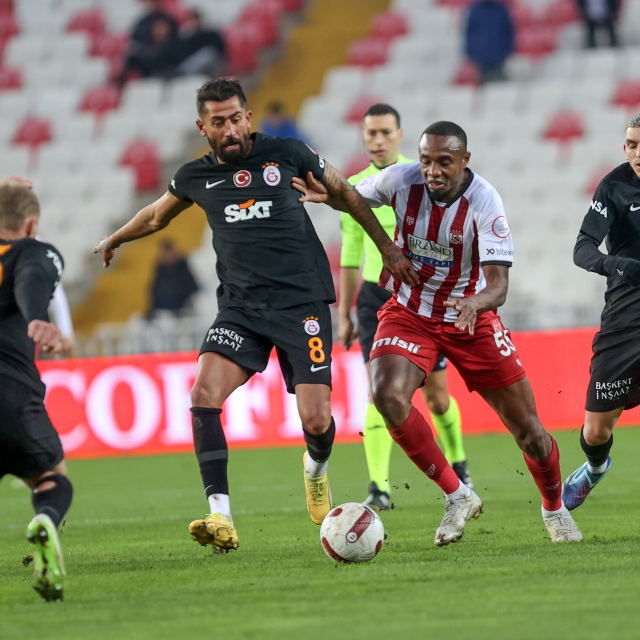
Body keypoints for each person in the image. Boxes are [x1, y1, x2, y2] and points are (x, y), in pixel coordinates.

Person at [94, 78, 418, 553]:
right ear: (202, 127)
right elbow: (156, 216)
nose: (229, 129)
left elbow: (347, 193)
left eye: (235, 118)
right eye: (218, 122)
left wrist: (387, 247)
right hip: (241, 309)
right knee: (203, 393)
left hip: (301, 304)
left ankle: (316, 469)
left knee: (315, 419)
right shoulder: (194, 177)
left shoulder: (287, 153)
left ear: (248, 117)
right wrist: (116, 238)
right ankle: (220, 515)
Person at [294, 121, 583, 546]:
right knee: (387, 396)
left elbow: (499, 286)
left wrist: (474, 303)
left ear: (465, 161)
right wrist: (333, 199)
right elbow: (356, 197)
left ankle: (554, 508)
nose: (432, 170)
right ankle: (457, 494)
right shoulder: (400, 178)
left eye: (444, 162)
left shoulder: (485, 201)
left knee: (530, 433)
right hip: (410, 312)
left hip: (472, 320)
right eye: (426, 160)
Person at [339, 103, 473, 511]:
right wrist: (344, 311)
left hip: (419, 296)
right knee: (376, 394)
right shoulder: (355, 186)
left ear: (400, 136)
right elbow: (350, 253)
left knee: (436, 399)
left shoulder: (416, 179)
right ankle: (379, 486)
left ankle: (459, 463)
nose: (377, 139)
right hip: (374, 297)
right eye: (370, 133)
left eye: (385, 132)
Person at [562, 114, 640, 510]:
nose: (637, 153)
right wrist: (616, 264)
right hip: (626, 319)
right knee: (595, 431)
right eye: (631, 144)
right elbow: (583, 248)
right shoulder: (614, 187)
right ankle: (594, 468)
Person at [0, 180, 73, 600]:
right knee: (51, 477)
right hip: (11, 400)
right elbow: (31, 275)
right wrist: (36, 316)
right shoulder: (34, 251)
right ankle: (45, 520)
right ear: (32, 225)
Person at [465, 0, 514, 84]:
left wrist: (505, 52)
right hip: (481, 63)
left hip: (499, 61)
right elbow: (469, 34)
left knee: (500, 91)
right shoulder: (475, 10)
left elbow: (508, 33)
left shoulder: (501, 9)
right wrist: (473, 55)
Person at [148, 239, 199, 317]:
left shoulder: (182, 267)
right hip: (162, 311)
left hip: (181, 310)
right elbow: (154, 290)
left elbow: (192, 287)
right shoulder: (160, 269)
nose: (168, 255)